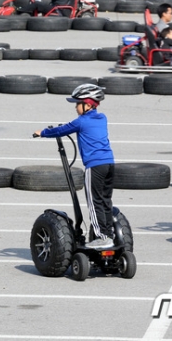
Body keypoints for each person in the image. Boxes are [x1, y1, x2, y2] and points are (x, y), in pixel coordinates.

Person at [34, 84, 115, 249]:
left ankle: (101, 237)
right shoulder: (103, 118)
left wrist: (42, 133)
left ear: (88, 104)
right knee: (106, 201)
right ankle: (109, 235)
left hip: (95, 166)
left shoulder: (81, 121)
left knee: (94, 202)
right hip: (109, 164)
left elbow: (61, 130)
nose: (75, 107)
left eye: (77, 104)